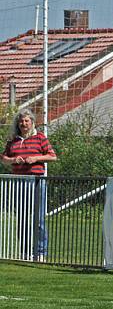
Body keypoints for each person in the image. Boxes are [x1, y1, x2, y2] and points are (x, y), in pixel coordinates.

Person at [1, 109, 57, 261]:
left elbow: (52, 156)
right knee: (22, 219)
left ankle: (41, 253)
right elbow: (4, 158)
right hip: (19, 182)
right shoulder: (13, 140)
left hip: (37, 181)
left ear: (32, 122)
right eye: (21, 121)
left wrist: (36, 158)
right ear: (17, 124)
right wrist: (13, 160)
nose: (24, 123)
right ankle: (25, 252)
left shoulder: (40, 138)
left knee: (39, 219)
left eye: (26, 121)